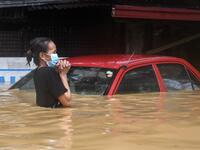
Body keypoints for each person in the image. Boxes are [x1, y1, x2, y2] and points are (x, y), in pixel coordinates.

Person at [26, 37, 71, 108]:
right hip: (55, 116)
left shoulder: (37, 71)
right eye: (54, 52)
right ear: (42, 56)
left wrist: (58, 72)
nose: (56, 55)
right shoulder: (49, 72)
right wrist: (63, 74)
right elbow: (67, 102)